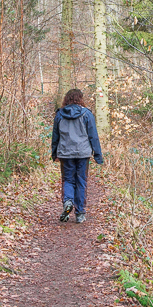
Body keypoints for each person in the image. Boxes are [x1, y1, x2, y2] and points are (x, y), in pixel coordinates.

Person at [51, 88, 103, 223]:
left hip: (65, 153)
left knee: (68, 179)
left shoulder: (60, 115)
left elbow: (55, 136)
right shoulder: (87, 114)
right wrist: (98, 155)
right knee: (81, 181)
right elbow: (93, 136)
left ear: (66, 99)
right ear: (80, 99)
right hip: (82, 153)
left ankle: (68, 201)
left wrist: (54, 153)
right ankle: (80, 213)